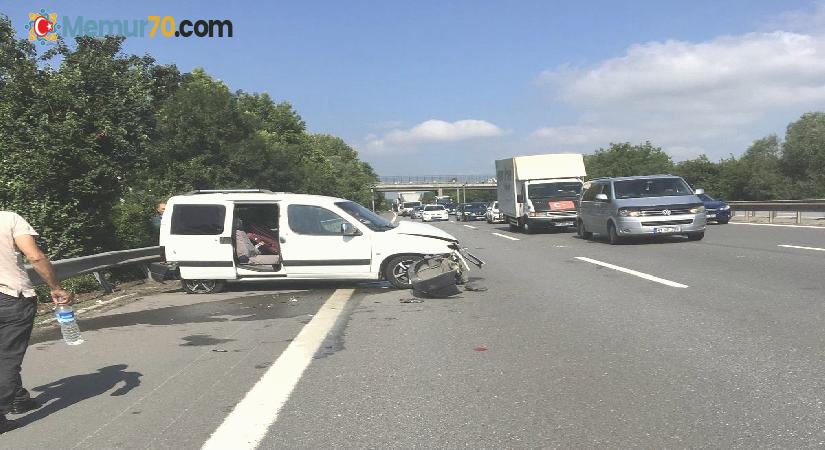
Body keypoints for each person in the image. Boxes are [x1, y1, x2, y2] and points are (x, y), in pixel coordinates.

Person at [0, 211, 74, 433]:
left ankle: (18, 397)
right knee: (8, 355)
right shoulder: (9, 219)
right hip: (10, 296)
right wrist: (56, 287)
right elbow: (35, 256)